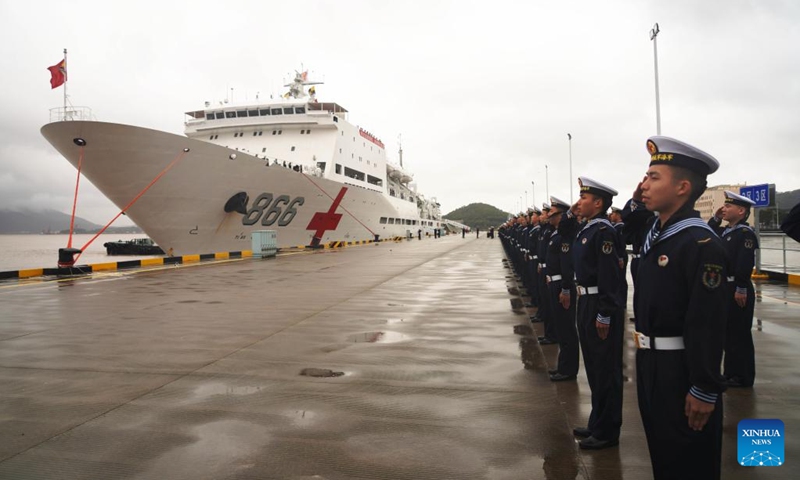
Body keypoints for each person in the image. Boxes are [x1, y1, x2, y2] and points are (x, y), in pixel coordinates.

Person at [624, 136, 728, 479]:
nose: (643, 186)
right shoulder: (657, 234)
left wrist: (705, 386)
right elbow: (632, 215)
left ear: (683, 187)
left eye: (654, 177)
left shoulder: (700, 243)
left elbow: (709, 322)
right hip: (651, 363)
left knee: (690, 462)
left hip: (682, 370)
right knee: (664, 457)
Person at [561, 177, 624, 450]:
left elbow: (610, 275)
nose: (579, 203)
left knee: (606, 369)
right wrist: (572, 209)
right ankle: (597, 422)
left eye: (584, 198)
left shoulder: (603, 232)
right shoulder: (586, 228)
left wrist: (605, 313)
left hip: (600, 302)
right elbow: (563, 228)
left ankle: (607, 431)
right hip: (586, 301)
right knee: (595, 368)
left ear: (598, 203)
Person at [708, 191, 758, 388]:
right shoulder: (726, 232)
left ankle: (742, 376)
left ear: (741, 210)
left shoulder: (745, 234)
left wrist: (741, 287)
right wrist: (716, 218)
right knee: (728, 333)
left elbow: (745, 264)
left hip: (737, 287)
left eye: (728, 207)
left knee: (739, 333)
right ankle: (730, 373)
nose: (725, 209)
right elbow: (708, 233)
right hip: (725, 287)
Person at [546, 196, 579, 381]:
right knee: (561, 327)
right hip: (555, 284)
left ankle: (568, 370)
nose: (549, 217)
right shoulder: (556, 234)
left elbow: (566, 266)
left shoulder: (565, 236)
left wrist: (566, 289)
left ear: (562, 216)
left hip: (562, 286)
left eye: (553, 214)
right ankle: (563, 365)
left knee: (567, 329)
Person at [536, 203, 557, 344]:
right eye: (544, 214)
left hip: (553, 274)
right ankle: (548, 333)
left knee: (551, 308)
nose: (545, 216)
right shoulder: (545, 231)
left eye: (546, 213)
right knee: (544, 299)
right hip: (544, 268)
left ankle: (552, 335)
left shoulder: (551, 232)